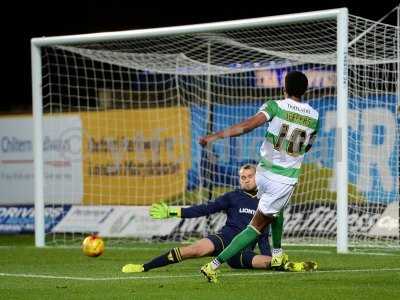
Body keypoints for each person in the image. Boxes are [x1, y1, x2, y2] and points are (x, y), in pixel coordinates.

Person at [199, 71, 319, 283]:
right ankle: (213, 266)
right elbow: (307, 147)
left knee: (275, 211)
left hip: (263, 172)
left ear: (285, 88)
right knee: (255, 227)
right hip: (283, 179)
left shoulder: (275, 106)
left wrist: (215, 136)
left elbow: (247, 126)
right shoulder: (314, 116)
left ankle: (277, 254)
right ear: (305, 90)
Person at [121, 164, 301, 273]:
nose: (245, 180)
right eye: (242, 177)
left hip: (240, 253)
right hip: (223, 239)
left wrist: (269, 258)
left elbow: (263, 235)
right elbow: (205, 209)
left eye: (249, 176)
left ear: (258, 176)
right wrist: (173, 212)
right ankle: (144, 267)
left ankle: (289, 265)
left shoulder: (267, 202)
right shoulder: (232, 197)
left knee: (268, 263)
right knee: (193, 250)